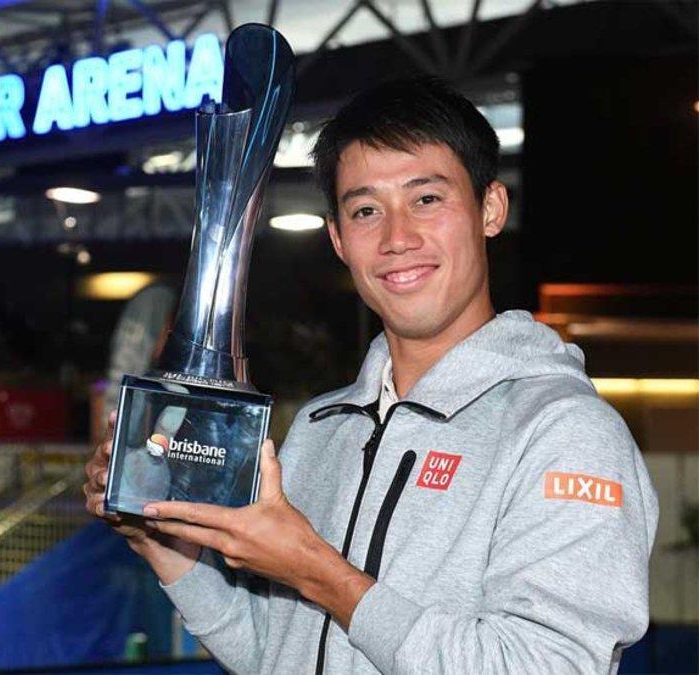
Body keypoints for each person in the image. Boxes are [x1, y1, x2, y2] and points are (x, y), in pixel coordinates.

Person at [82, 76, 657, 674]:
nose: (397, 238)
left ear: (491, 208)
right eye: (365, 210)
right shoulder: (321, 426)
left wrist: (319, 571)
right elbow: (274, 653)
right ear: (337, 238)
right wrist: (163, 543)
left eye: (426, 199)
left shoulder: (564, 433)